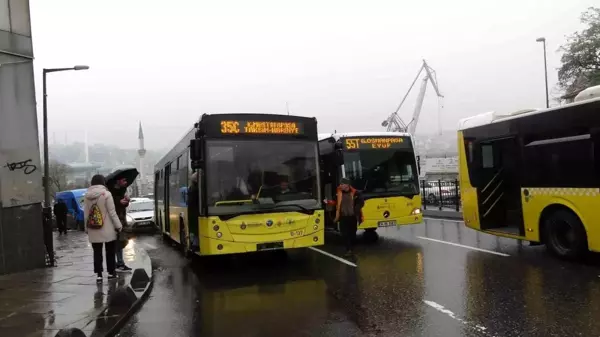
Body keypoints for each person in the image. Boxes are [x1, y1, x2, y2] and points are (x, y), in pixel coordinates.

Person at [84, 174, 123, 282]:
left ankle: (99, 275)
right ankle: (111, 273)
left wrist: (86, 228)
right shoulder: (106, 194)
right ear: (103, 182)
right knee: (110, 251)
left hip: (93, 228)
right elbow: (112, 212)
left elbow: (86, 215)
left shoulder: (87, 196)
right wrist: (118, 226)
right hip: (107, 228)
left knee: (97, 252)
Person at [333, 178, 364, 257]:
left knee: (352, 234)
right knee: (345, 234)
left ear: (347, 185)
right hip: (343, 217)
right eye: (340, 184)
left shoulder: (356, 193)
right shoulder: (338, 193)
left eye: (342, 184)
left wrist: (357, 208)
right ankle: (348, 250)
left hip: (352, 217)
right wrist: (329, 202)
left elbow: (361, 203)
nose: (340, 186)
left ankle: (351, 248)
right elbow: (335, 202)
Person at [108, 177, 132, 271]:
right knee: (115, 242)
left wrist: (126, 201)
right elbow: (110, 203)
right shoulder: (110, 190)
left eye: (126, 180)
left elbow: (123, 204)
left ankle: (120, 263)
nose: (125, 182)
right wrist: (118, 201)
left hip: (122, 219)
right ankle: (115, 264)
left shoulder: (123, 190)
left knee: (121, 241)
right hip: (113, 220)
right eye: (124, 180)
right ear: (118, 181)